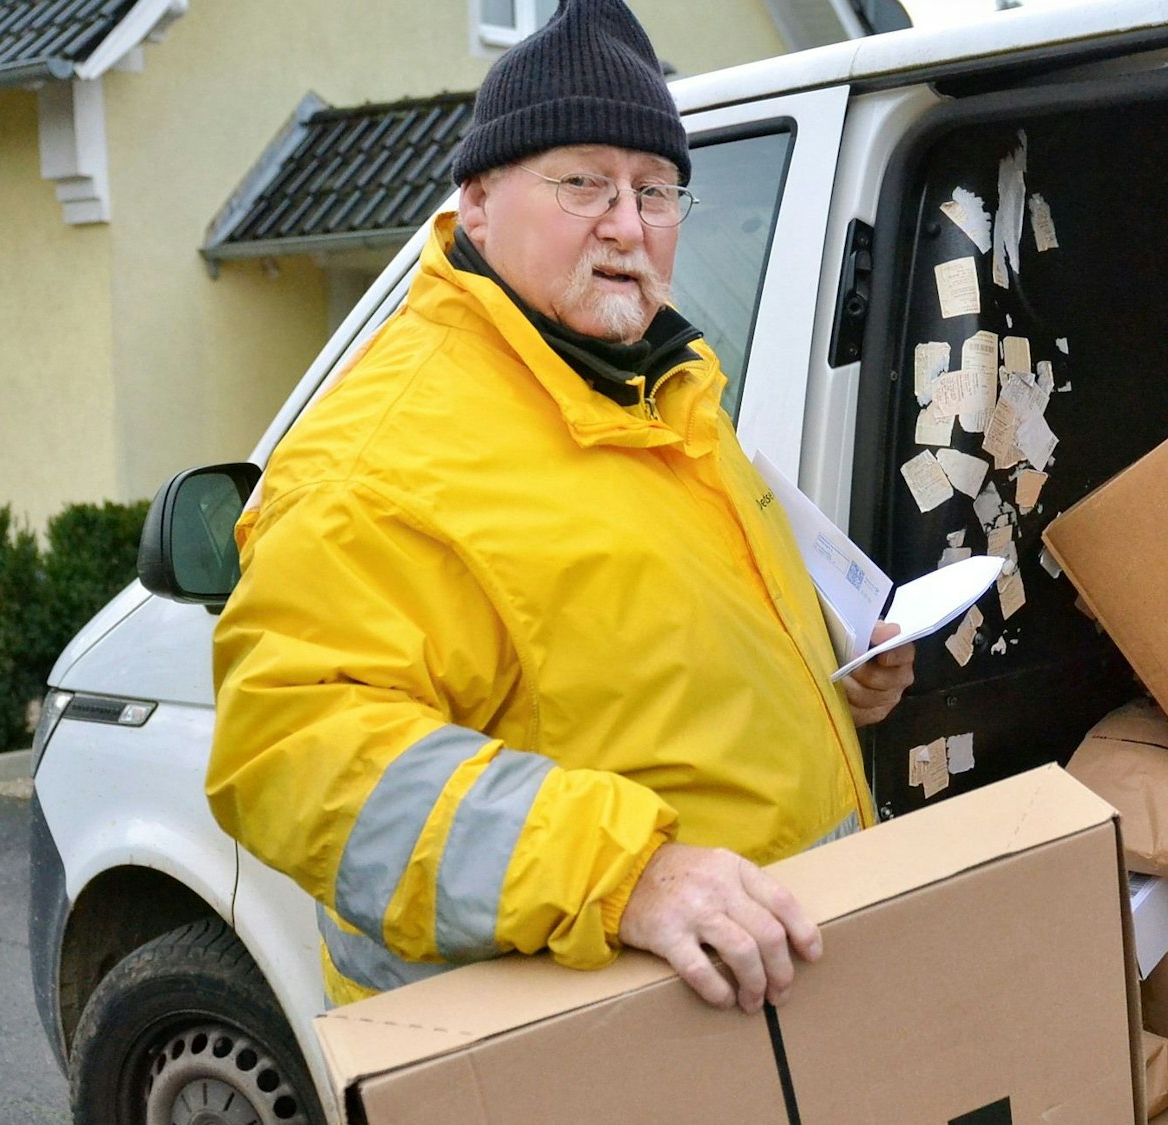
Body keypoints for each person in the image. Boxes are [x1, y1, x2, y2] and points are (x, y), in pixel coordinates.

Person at [205, 0, 915, 1017]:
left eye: (656, 189)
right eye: (582, 182)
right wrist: (625, 875)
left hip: (766, 999)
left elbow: (652, 660)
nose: (627, 224)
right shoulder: (382, 454)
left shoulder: (662, 388)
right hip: (584, 1042)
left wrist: (831, 675)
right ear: (479, 203)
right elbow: (294, 750)